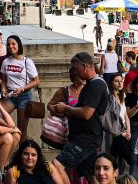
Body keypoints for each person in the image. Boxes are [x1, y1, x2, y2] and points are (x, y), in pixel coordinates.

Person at [52, 52, 109, 184]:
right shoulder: (90, 85)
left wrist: (65, 108)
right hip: (86, 137)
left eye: (76, 69)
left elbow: (86, 113)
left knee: (57, 165)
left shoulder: (96, 85)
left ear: (84, 66)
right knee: (91, 175)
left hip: (86, 138)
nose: (75, 73)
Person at [1, 35, 40, 141]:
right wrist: (3, 90)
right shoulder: (6, 61)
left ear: (19, 45)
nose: (10, 46)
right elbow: (4, 80)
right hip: (11, 96)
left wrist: (22, 88)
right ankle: (6, 139)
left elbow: (36, 81)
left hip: (25, 96)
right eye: (8, 44)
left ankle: (21, 153)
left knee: (21, 129)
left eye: (13, 43)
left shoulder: (27, 62)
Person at [107, 73, 133, 171]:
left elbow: (125, 114)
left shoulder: (121, 95)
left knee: (124, 161)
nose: (120, 83)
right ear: (111, 83)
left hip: (124, 131)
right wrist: (120, 133)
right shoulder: (109, 98)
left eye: (121, 81)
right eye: (116, 81)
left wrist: (128, 130)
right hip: (113, 132)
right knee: (112, 159)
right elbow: (109, 119)